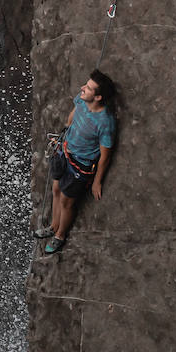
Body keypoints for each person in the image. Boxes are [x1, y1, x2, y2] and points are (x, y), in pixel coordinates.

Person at [35, 70, 117, 254]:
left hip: (81, 164)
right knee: (56, 189)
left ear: (98, 97)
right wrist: (65, 130)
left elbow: (105, 155)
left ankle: (60, 236)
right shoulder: (82, 99)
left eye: (87, 88)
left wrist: (97, 181)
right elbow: (73, 113)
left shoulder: (105, 122)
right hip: (65, 151)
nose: (82, 88)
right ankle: (54, 226)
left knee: (67, 202)